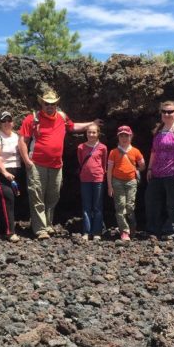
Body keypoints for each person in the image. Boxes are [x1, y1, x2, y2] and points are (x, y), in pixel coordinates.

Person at [18, 87, 102, 239]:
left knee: (53, 196)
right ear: (41, 104)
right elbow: (22, 141)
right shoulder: (32, 119)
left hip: (56, 165)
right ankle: (40, 229)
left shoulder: (62, 117)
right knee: (36, 195)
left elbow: (73, 127)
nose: (50, 107)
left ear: (56, 104)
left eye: (53, 104)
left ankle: (48, 224)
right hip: (36, 163)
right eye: (46, 104)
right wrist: (27, 161)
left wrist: (92, 123)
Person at [145, 101, 174, 240]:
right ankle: (153, 230)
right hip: (157, 172)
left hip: (173, 172)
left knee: (173, 203)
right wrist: (149, 168)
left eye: (170, 111)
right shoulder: (159, 129)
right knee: (152, 201)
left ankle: (170, 230)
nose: (167, 114)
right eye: (164, 111)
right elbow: (153, 151)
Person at [107, 125, 146, 241]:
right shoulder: (113, 152)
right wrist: (109, 186)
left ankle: (132, 229)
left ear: (131, 136)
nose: (124, 138)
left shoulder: (136, 151)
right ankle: (124, 231)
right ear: (118, 137)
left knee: (130, 206)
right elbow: (109, 170)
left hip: (131, 182)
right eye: (121, 136)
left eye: (127, 136)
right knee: (120, 206)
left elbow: (142, 165)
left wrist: (136, 170)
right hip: (117, 181)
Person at [0, 110, 22, 242]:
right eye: (4, 121)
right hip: (1, 173)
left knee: (10, 201)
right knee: (7, 200)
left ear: (13, 122)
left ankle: (3, 229)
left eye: (9, 120)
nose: (7, 123)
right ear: (0, 123)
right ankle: (9, 232)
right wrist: (4, 172)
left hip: (16, 171)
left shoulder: (16, 136)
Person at [77, 123, 108, 241]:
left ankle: (97, 232)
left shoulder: (103, 147)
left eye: (94, 132)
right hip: (85, 179)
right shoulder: (81, 147)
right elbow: (81, 161)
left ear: (98, 133)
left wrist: (101, 173)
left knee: (97, 207)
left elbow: (104, 163)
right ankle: (86, 232)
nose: (91, 134)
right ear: (86, 133)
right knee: (86, 207)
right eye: (89, 132)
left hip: (98, 178)